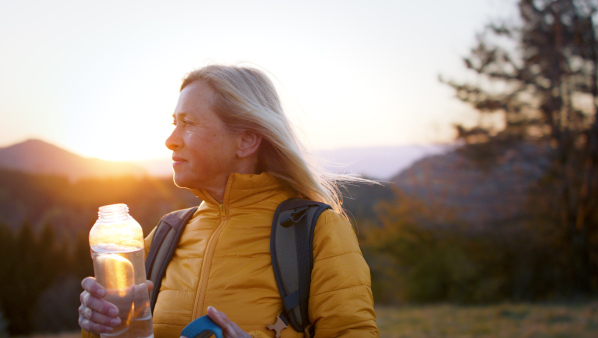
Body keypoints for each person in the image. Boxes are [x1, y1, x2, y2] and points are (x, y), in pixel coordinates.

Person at [78, 65, 379, 337]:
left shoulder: (317, 230)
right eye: (174, 122)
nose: (171, 139)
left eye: (189, 123)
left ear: (246, 140)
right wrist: (97, 326)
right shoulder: (166, 234)